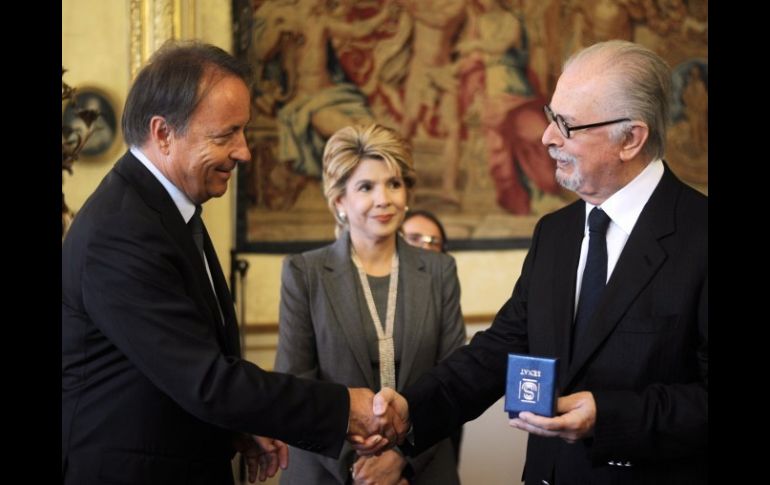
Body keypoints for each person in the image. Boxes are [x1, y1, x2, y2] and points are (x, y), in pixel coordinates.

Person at [62, 41, 405, 485]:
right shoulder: (122, 230)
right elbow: (205, 380)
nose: (244, 152)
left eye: (243, 132)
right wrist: (345, 409)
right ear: (163, 133)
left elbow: (185, 366)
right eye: (226, 135)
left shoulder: (166, 211)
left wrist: (235, 425)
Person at [373, 40, 708, 484]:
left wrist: (609, 416)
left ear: (631, 138)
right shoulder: (556, 233)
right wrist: (412, 409)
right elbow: (502, 348)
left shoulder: (700, 235)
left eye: (566, 124)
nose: (546, 136)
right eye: (551, 116)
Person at [273, 124, 466, 484]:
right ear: (340, 202)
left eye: (394, 184)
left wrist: (400, 460)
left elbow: (453, 379)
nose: (385, 199)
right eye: (366, 187)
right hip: (325, 471)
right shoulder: (305, 272)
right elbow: (296, 386)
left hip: (421, 469)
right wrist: (355, 466)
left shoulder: (439, 270)